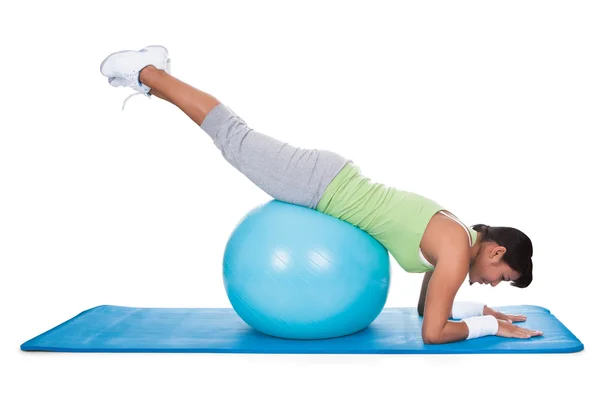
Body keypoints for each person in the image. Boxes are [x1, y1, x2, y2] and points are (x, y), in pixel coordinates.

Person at [100, 45, 542, 344]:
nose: (491, 283)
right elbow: (432, 332)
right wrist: (489, 327)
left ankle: (152, 83)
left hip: (329, 180)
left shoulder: (457, 236)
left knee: (232, 139)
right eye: (500, 277)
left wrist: (486, 311)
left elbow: (431, 305)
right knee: (232, 136)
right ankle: (147, 70)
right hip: (319, 185)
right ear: (496, 251)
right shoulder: (454, 250)